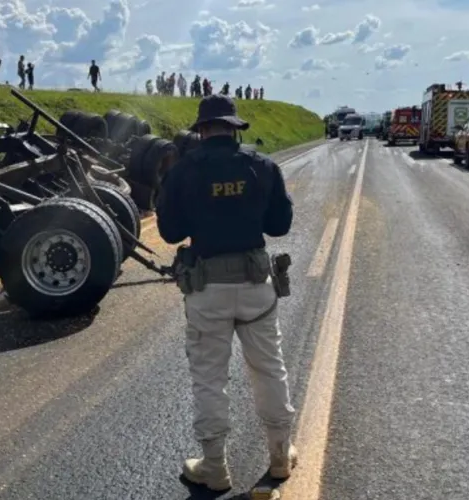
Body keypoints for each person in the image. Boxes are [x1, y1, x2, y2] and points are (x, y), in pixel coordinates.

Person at [155, 94, 297, 492]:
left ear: (201, 131)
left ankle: (214, 468)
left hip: (206, 289)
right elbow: (280, 226)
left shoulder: (183, 172)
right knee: (270, 368)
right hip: (255, 286)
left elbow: (169, 232)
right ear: (235, 127)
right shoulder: (262, 167)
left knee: (209, 378)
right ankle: (281, 456)